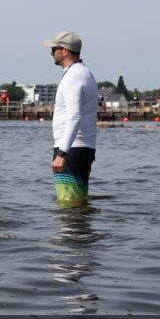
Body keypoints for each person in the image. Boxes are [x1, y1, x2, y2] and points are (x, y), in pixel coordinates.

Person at [44, 31, 98, 205]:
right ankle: (81, 232)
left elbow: (74, 115)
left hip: (71, 149)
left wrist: (62, 152)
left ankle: (69, 233)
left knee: (68, 205)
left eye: (54, 49)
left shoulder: (73, 76)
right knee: (79, 203)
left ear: (65, 51)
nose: (51, 53)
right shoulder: (86, 73)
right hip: (84, 147)